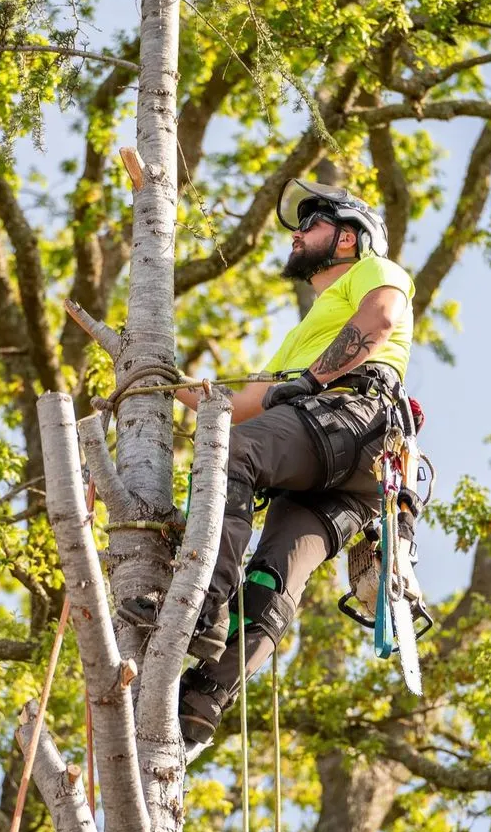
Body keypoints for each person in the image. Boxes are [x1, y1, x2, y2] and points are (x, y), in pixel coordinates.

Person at [121, 179, 416, 748]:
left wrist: (310, 381)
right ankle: (204, 700)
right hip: (345, 469)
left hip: (351, 417)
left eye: (312, 224)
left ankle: (202, 604)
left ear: (350, 240)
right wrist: (154, 379)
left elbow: (377, 323)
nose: (298, 235)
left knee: (232, 455)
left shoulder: (378, 274)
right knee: (272, 578)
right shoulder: (306, 333)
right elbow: (241, 403)